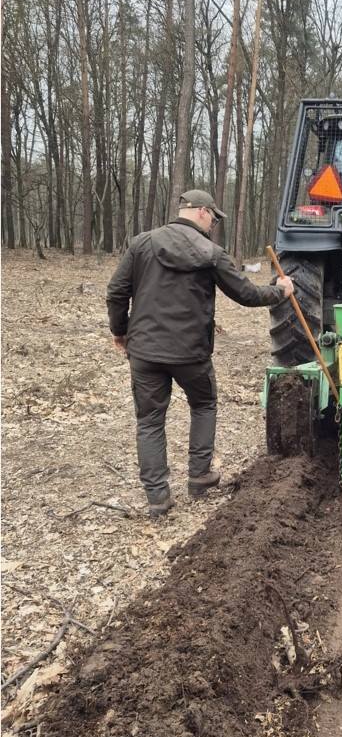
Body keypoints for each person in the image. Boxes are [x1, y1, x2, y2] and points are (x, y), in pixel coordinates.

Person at [106, 189, 294, 517]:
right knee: (204, 404)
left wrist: (120, 331)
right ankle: (200, 477)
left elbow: (117, 291)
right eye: (214, 218)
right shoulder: (212, 252)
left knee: (149, 421)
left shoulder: (142, 244)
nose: (214, 225)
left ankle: (157, 497)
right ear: (203, 212)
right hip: (190, 353)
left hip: (145, 352)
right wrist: (280, 290)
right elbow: (247, 294)